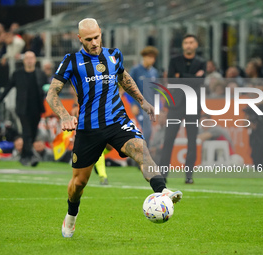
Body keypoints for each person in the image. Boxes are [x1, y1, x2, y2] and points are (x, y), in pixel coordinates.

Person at [46, 18, 182, 238]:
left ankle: (162, 191)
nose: (94, 42)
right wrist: (64, 115)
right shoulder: (71, 60)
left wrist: (141, 101)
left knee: (140, 148)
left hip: (117, 121)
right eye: (88, 39)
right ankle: (71, 214)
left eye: (96, 37)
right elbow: (52, 93)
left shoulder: (114, 55)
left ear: (101, 33)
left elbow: (124, 77)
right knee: (79, 183)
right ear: (79, 38)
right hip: (89, 128)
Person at [159, 34, 206, 184]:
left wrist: (182, 76)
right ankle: (163, 174)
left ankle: (189, 175)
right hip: (176, 104)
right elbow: (173, 80)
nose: (188, 45)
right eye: (186, 42)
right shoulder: (174, 61)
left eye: (191, 42)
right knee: (168, 140)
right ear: (183, 45)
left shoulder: (201, 62)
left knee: (192, 141)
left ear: (196, 45)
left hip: (193, 103)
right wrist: (192, 77)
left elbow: (201, 81)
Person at [0, 51, 48, 166]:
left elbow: (49, 88)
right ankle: (31, 156)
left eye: (32, 58)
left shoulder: (40, 74)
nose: (29, 60)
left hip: (37, 108)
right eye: (27, 58)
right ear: (24, 60)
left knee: (33, 132)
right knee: (26, 131)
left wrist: (49, 89)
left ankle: (24, 156)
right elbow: (7, 88)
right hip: (22, 108)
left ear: (35, 60)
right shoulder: (17, 74)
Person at [129, 46, 159, 146]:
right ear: (144, 57)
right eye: (150, 57)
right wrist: (133, 104)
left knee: (148, 132)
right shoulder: (136, 70)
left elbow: (156, 91)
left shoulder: (154, 72)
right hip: (139, 106)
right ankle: (144, 154)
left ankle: (144, 154)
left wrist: (159, 107)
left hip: (150, 107)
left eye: (153, 57)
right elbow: (128, 88)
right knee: (145, 130)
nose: (152, 60)